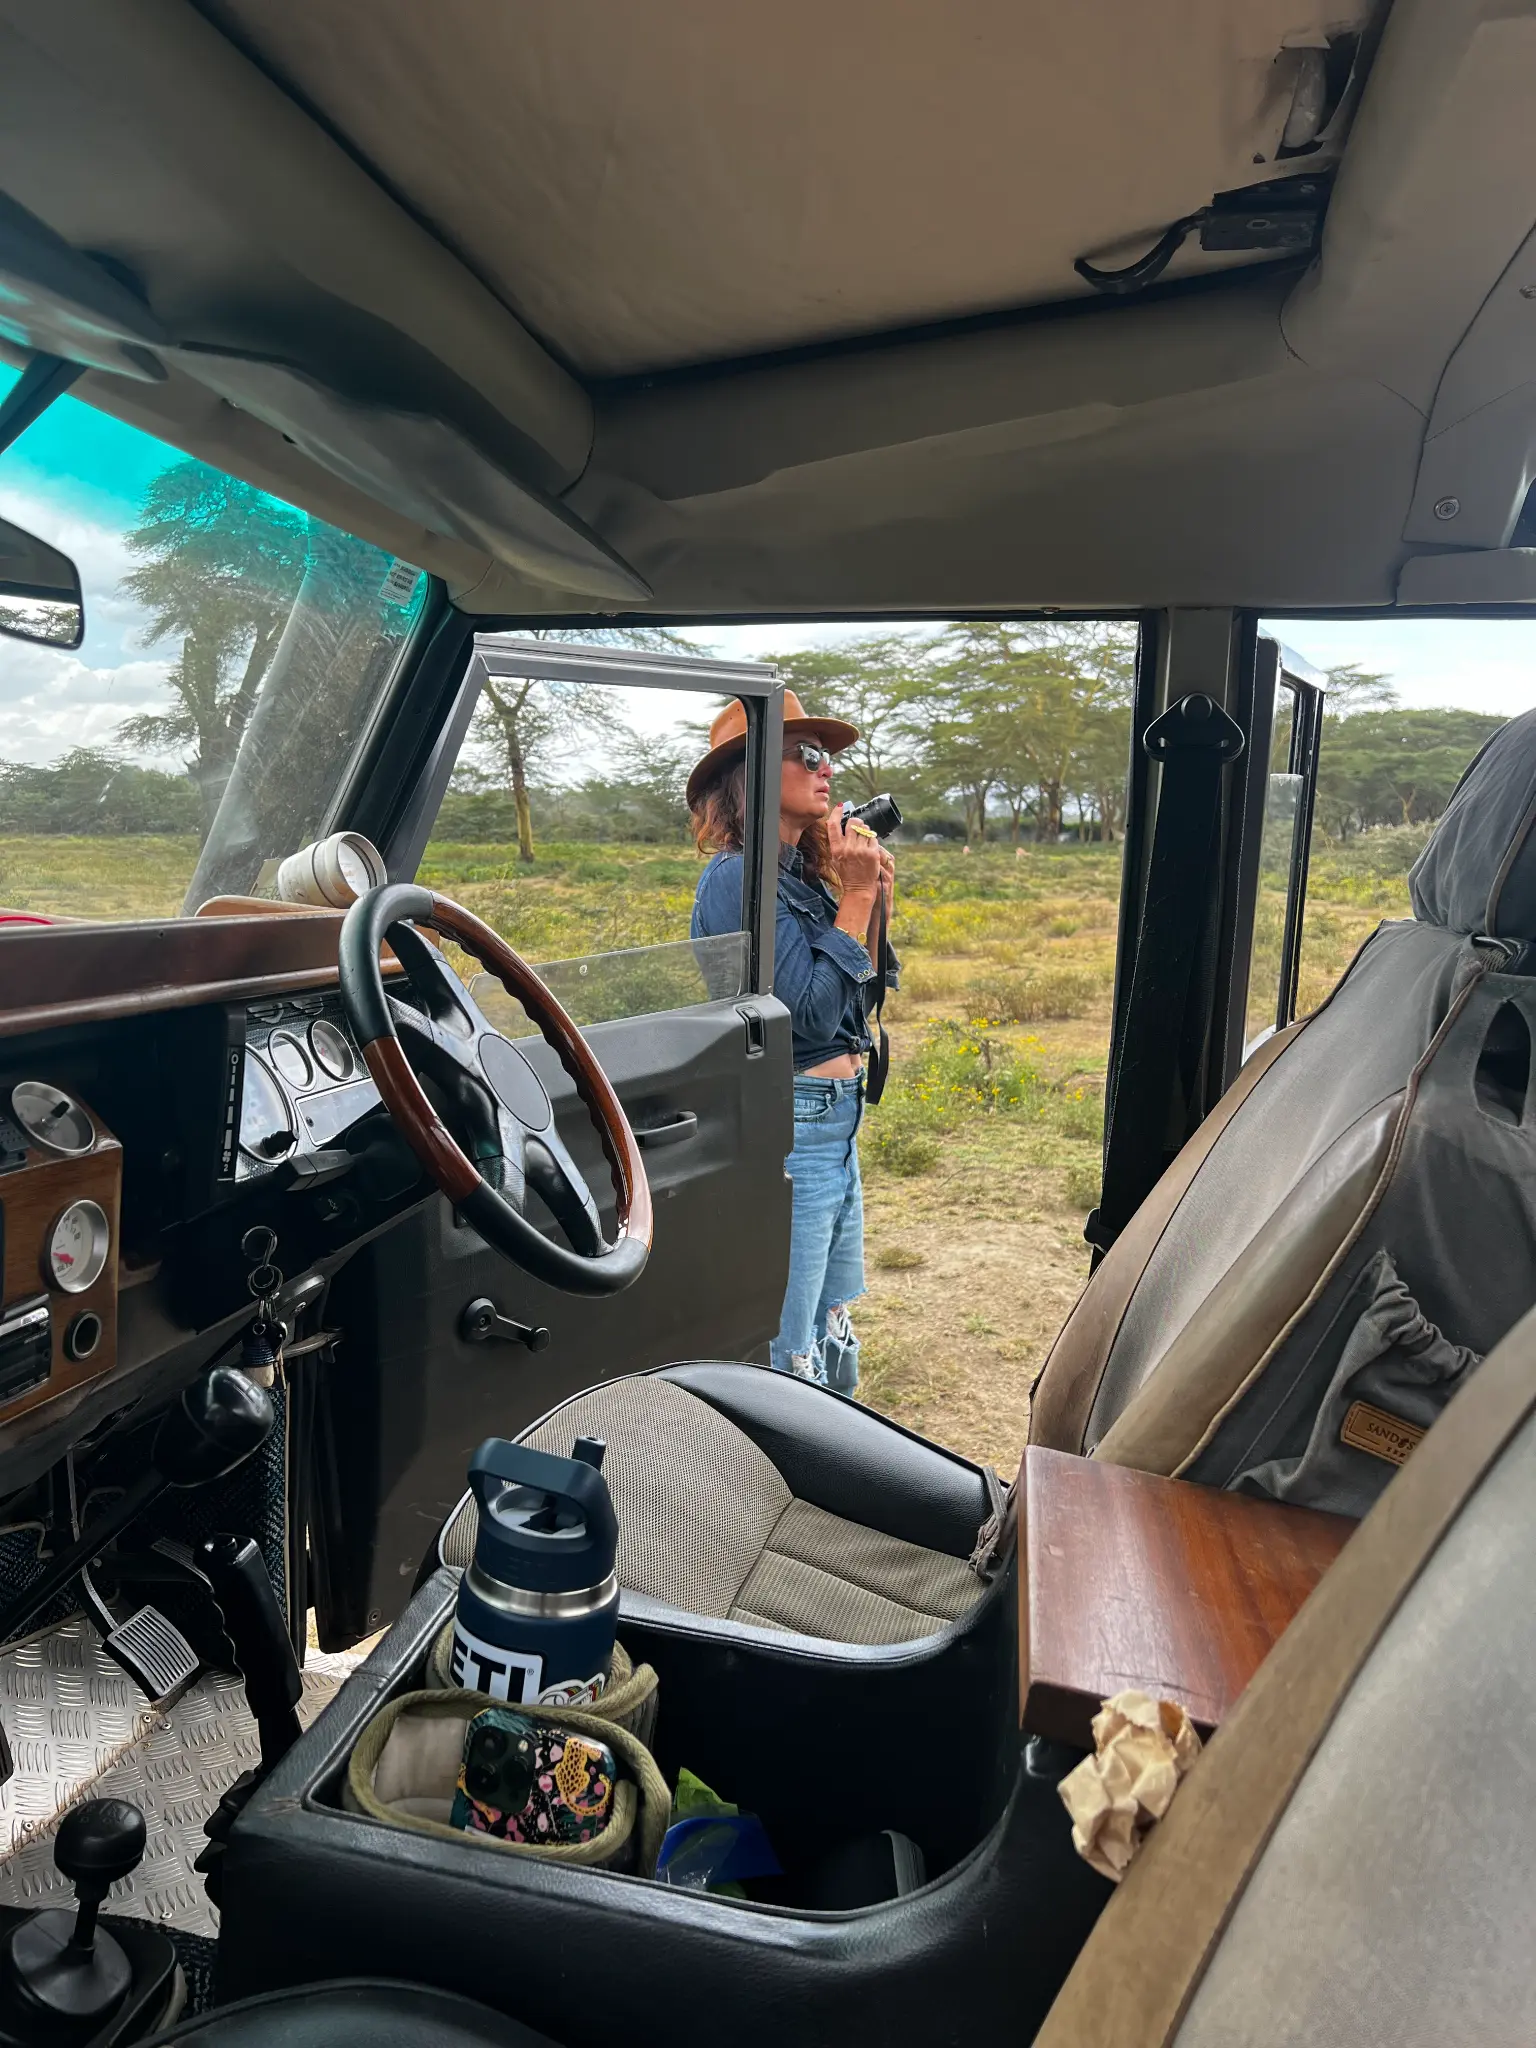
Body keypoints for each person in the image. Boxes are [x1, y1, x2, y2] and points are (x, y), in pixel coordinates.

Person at [688, 692, 895, 1392]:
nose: (825, 768)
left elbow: (855, 993)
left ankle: (840, 1447)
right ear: (748, 774)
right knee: (789, 1324)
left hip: (833, 1115)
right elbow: (803, 1016)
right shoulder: (735, 880)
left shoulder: (795, 879)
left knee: (828, 1304)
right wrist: (857, 901)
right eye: (806, 754)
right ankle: (794, 1456)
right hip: (796, 1117)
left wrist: (868, 898)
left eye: (829, 755)